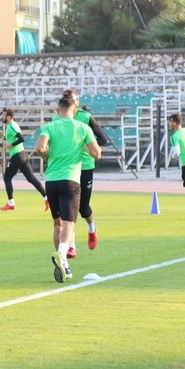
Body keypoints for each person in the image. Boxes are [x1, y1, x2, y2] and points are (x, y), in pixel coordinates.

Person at [35, 96, 101, 283]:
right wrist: (82, 149)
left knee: (57, 223)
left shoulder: (50, 126)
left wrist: (49, 155)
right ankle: (62, 254)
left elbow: (40, 148)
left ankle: (64, 266)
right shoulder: (82, 128)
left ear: (58, 110)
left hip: (51, 181)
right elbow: (97, 153)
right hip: (71, 180)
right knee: (70, 222)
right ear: (75, 109)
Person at [54, 89, 109, 259]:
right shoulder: (57, 119)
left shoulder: (85, 117)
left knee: (84, 208)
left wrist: (86, 146)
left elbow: (103, 140)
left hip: (84, 166)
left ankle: (92, 229)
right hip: (67, 168)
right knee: (69, 210)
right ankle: (71, 247)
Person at [0, 108, 49, 211]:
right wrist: (3, 138)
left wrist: (10, 145)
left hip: (17, 156)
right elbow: (12, 138)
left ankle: (11, 203)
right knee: (31, 178)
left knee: (7, 178)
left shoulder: (11, 126)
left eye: (3, 116)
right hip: (22, 155)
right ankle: (46, 198)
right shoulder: (12, 125)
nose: (2, 117)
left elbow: (21, 138)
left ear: (8, 117)